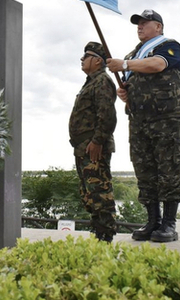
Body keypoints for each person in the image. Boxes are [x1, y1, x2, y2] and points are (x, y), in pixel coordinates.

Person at [106, 9, 180, 243]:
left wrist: (124, 64)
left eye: (145, 23)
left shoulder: (169, 46)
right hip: (139, 121)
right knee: (145, 169)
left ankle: (169, 224)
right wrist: (126, 91)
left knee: (171, 166)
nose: (140, 27)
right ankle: (153, 220)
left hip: (167, 119)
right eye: (138, 24)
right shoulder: (135, 53)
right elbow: (133, 81)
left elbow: (157, 65)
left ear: (159, 27)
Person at [69, 41, 118, 242]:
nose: (82, 59)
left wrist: (97, 141)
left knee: (100, 192)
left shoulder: (102, 81)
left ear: (97, 60)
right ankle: (98, 232)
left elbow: (107, 115)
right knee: (90, 194)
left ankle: (105, 236)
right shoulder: (92, 82)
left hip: (93, 147)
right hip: (84, 147)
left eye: (86, 56)